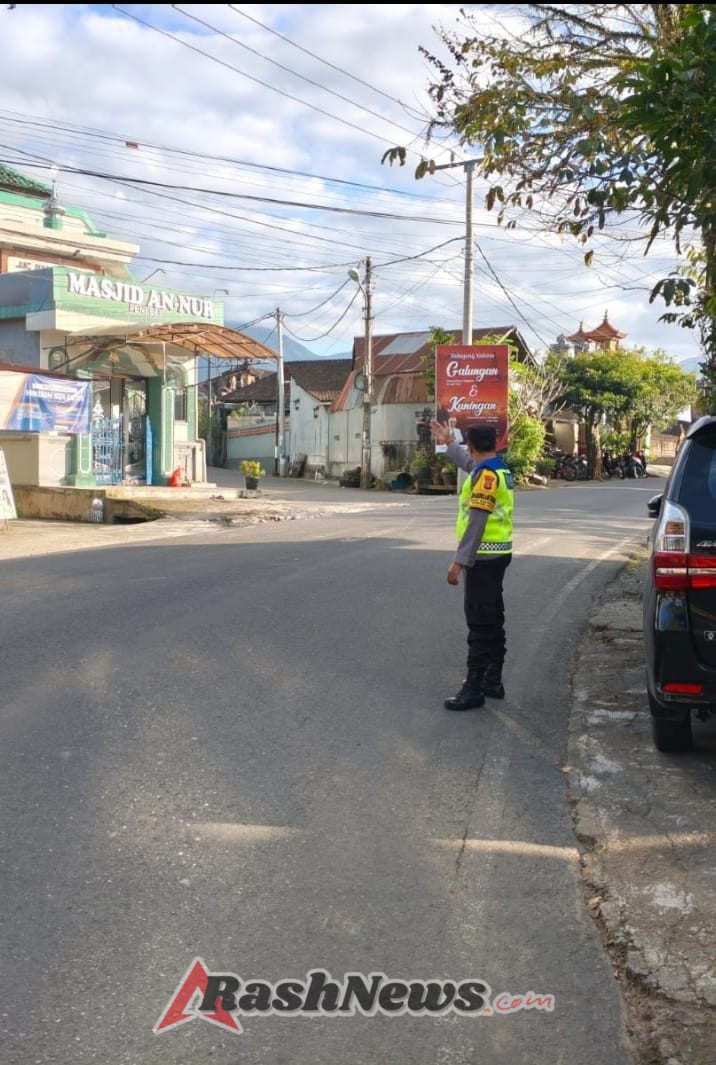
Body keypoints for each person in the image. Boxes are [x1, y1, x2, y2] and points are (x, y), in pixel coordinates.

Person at [430, 419, 514, 710]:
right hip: (498, 554)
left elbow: (477, 520)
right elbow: (470, 463)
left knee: (480, 622)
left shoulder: (486, 477)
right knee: (493, 617)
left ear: (473, 445)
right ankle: (493, 679)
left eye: (466, 445)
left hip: (483, 558)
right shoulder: (496, 468)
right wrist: (448, 443)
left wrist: (459, 562)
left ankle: (474, 688)